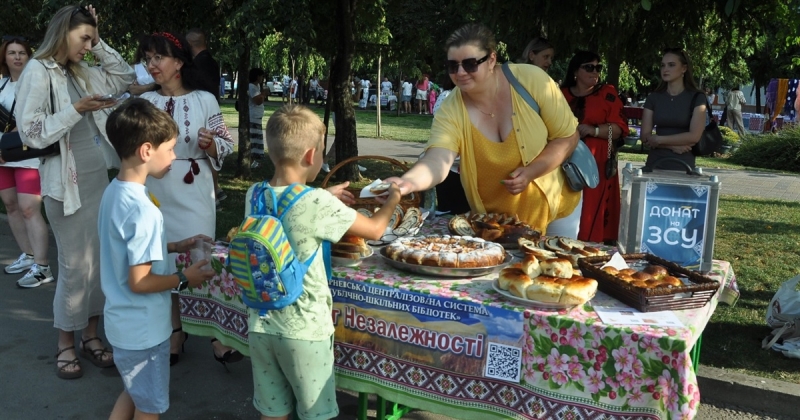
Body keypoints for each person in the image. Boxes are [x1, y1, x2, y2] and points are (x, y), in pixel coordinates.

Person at [244, 104, 399, 420]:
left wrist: (326, 195)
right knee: (316, 413)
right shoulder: (318, 202)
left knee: (272, 412)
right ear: (312, 156)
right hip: (306, 332)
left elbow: (288, 209)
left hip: (260, 325)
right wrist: (394, 198)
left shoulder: (254, 194)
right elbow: (375, 229)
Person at [16, 4, 135, 379]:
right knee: (74, 264)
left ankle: (91, 335)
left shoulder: (80, 68)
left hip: (97, 174)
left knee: (98, 262)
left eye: (91, 38)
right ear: (64, 31)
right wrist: (76, 109)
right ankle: (65, 343)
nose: (87, 45)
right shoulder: (38, 70)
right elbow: (31, 133)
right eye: (83, 37)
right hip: (63, 184)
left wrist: (99, 43)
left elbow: (124, 78)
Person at [385, 22, 581, 237]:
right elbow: (438, 159)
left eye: (469, 64)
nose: (460, 73)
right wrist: (408, 182)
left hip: (556, 208)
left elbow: (568, 136)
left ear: (491, 60)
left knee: (555, 268)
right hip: (494, 220)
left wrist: (532, 172)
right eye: (452, 66)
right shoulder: (451, 107)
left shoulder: (531, 79)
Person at [99, 99, 215, 419]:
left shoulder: (114, 192)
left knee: (134, 393)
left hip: (124, 325)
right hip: (145, 331)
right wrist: (184, 279)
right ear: (147, 150)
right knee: (149, 407)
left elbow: (126, 253)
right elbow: (140, 281)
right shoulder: (144, 210)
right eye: (171, 149)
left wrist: (177, 246)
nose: (175, 157)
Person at [138, 32, 237, 366]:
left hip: (195, 189)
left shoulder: (204, 100)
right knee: (163, 259)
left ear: (178, 61)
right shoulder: (147, 104)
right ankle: (175, 332)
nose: (151, 65)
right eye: (148, 59)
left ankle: (215, 336)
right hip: (156, 190)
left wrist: (210, 145)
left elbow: (226, 142)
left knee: (200, 256)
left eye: (158, 58)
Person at [0, 37, 52, 288]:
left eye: (22, 52)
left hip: (26, 155)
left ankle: (43, 267)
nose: (17, 57)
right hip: (2, 155)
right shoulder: (0, 85)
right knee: (10, 206)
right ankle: (28, 255)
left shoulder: (37, 84)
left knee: (29, 208)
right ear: (4, 57)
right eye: (12, 52)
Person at [560, 51, 628, 243]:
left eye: (598, 67)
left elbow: (620, 129)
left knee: (591, 206)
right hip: (564, 158)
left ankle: (589, 247)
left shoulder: (608, 94)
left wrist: (593, 130)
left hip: (596, 161)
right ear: (575, 70)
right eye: (589, 67)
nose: (595, 72)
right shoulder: (561, 94)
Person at [641, 48, 706, 171]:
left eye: (671, 65)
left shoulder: (697, 97)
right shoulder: (654, 97)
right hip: (654, 165)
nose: (665, 69)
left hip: (684, 165)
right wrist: (671, 146)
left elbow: (694, 136)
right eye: (663, 65)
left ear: (684, 69)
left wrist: (659, 140)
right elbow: (644, 136)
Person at [185, 28, 226, 206]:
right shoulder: (209, 61)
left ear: (189, 45)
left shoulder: (199, 64)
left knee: (209, 154)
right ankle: (216, 191)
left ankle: (214, 193)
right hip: (208, 110)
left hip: (203, 112)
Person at [248, 68, 267, 167]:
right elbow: (257, 101)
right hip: (253, 117)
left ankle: (254, 160)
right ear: (257, 76)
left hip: (257, 117)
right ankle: (251, 161)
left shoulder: (257, 86)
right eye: (261, 76)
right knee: (253, 140)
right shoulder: (251, 87)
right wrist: (263, 94)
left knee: (256, 139)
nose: (262, 78)